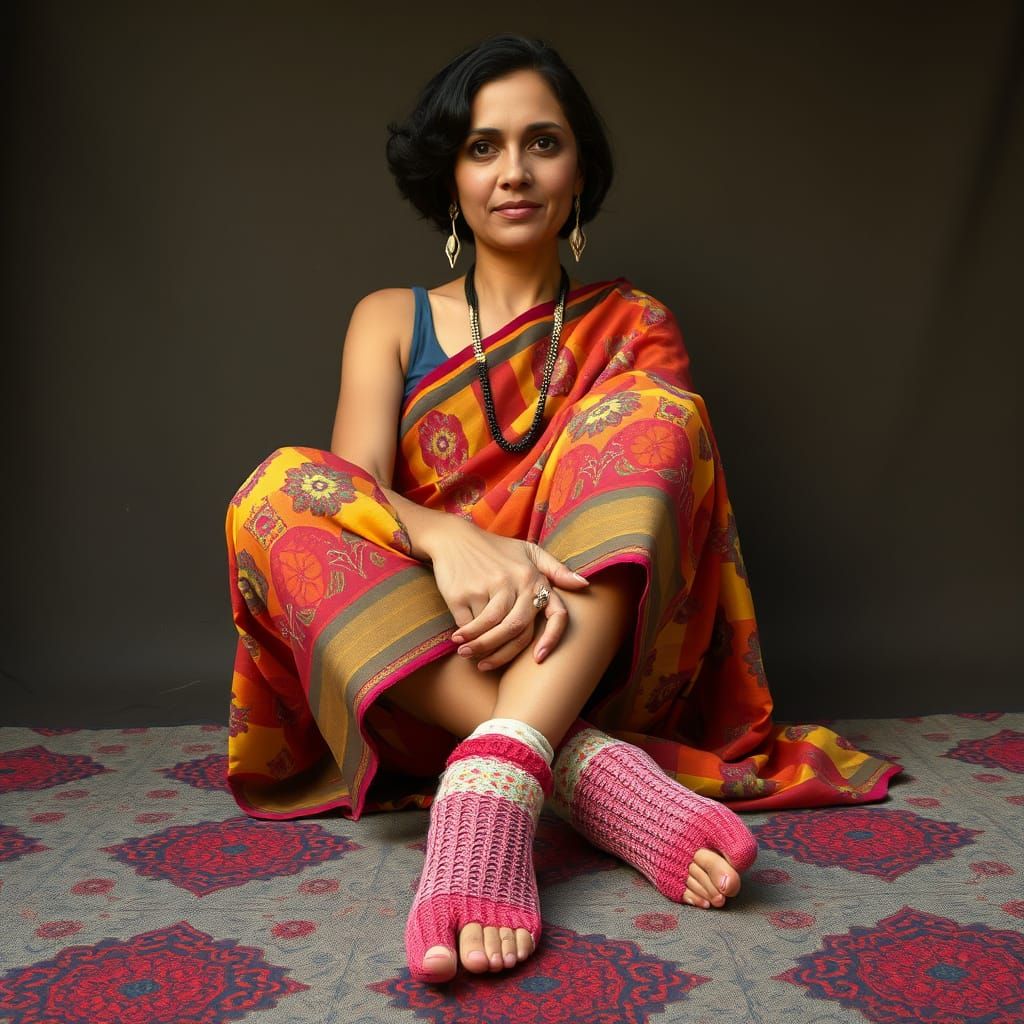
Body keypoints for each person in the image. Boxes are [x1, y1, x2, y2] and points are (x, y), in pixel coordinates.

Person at [224, 35, 899, 985]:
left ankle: (502, 771)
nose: (513, 171)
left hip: (577, 656)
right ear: (448, 175)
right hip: (419, 667)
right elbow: (349, 495)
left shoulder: (633, 324)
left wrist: (528, 585)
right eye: (482, 146)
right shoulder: (387, 316)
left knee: (659, 414)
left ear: (580, 169)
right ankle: (584, 774)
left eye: (542, 143)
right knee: (276, 491)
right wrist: (454, 539)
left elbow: (650, 512)